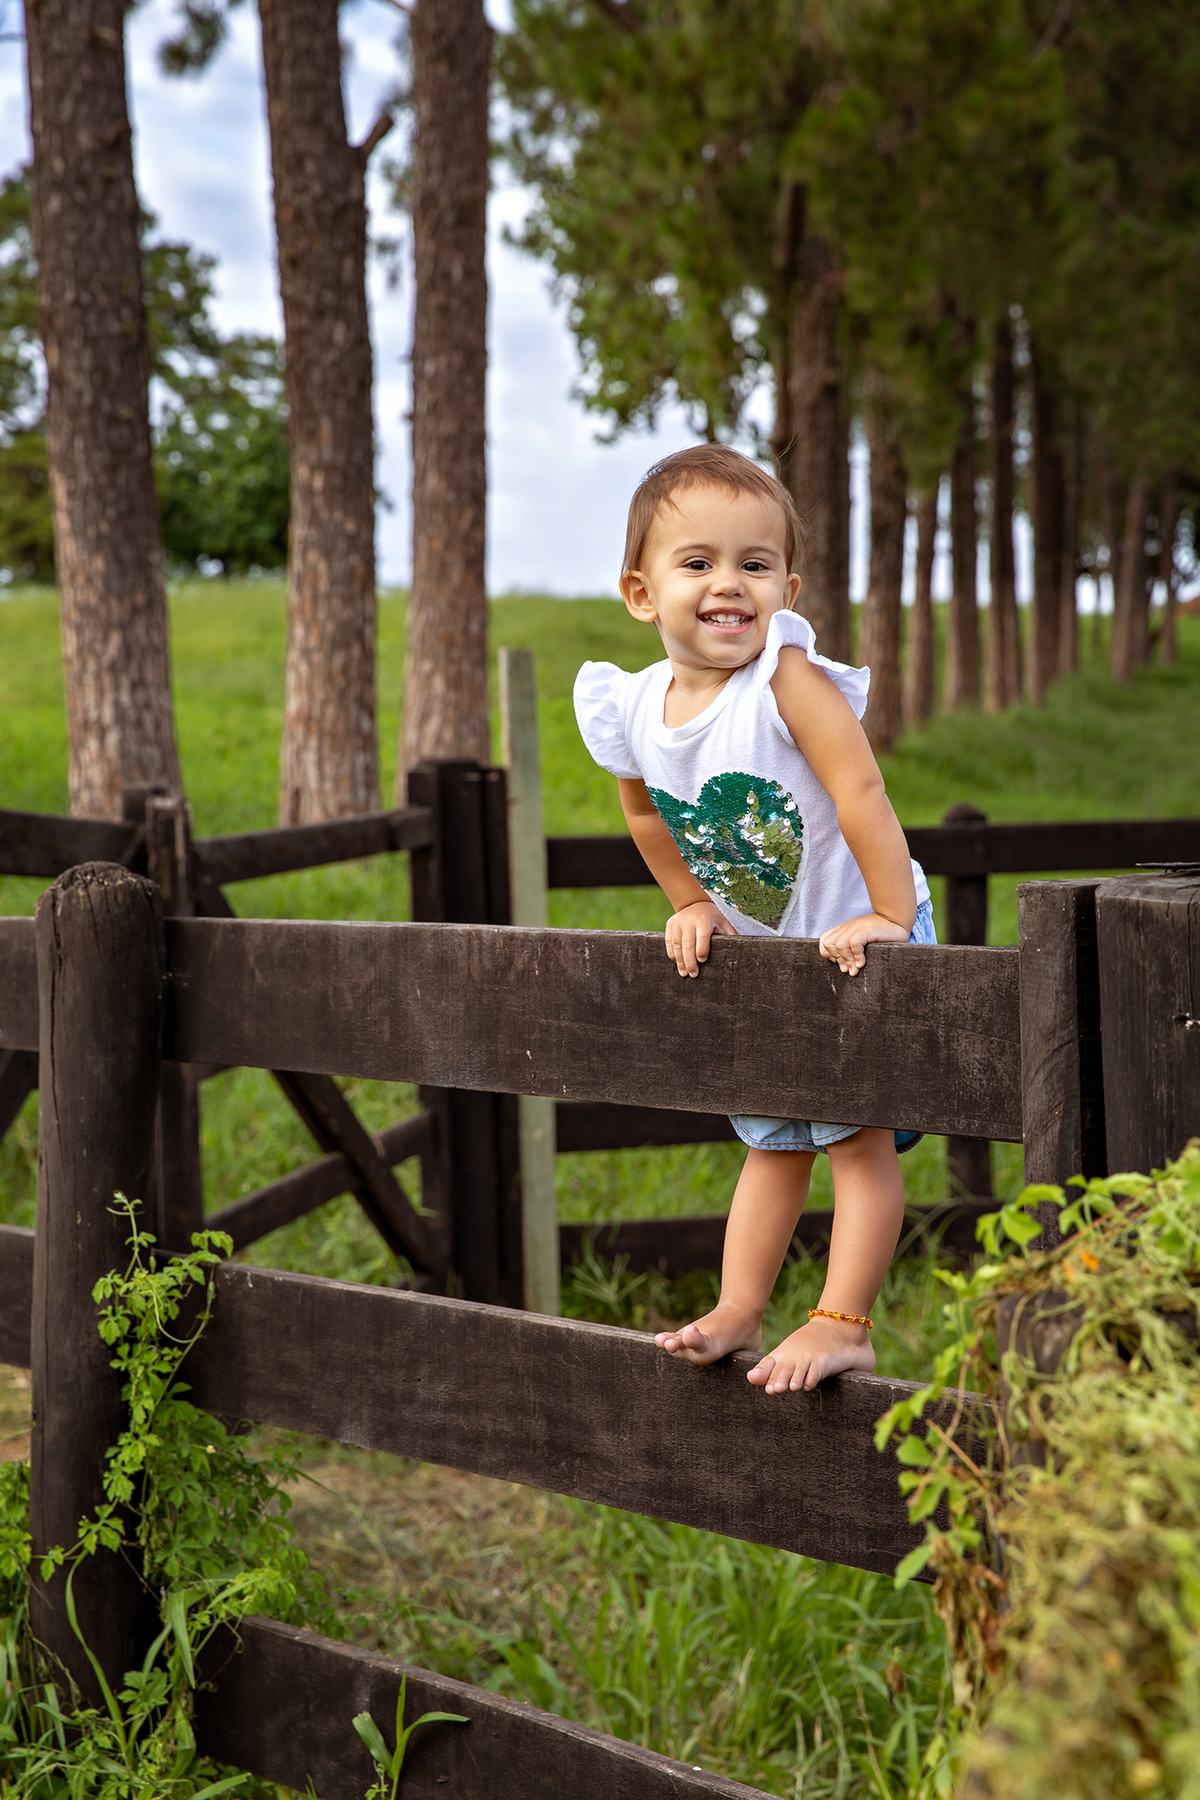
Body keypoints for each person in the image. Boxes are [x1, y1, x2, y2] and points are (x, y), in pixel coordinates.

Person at [573, 444, 934, 1392]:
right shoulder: (632, 706)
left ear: (788, 585)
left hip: (859, 929)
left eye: (755, 563)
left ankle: (843, 1320)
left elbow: (860, 790)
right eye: (697, 563)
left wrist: (890, 914)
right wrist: (690, 900)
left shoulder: (785, 679)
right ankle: (739, 1308)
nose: (729, 584)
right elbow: (647, 812)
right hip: (775, 954)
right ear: (642, 593)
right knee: (771, 1140)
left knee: (851, 1137)